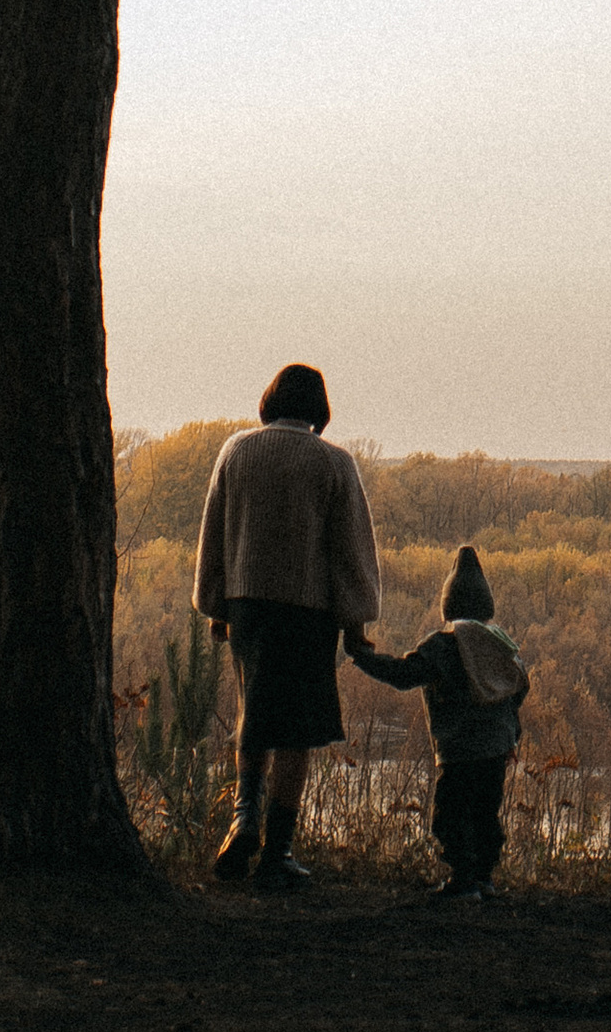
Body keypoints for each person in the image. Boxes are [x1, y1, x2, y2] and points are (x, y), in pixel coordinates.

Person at [193, 362, 380, 891]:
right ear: (319, 410)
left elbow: (215, 531)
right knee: (297, 730)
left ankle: (242, 819)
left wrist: (215, 606)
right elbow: (351, 551)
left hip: (247, 605)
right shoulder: (334, 463)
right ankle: (277, 852)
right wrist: (355, 621)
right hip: (307, 610)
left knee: (253, 713)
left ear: (270, 400)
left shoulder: (236, 451)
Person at [347, 544, 529, 900]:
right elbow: (518, 690)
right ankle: (484, 880)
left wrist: (361, 656)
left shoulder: (444, 646)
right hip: (496, 750)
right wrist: (510, 737)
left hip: (458, 751)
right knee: (485, 816)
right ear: (485, 606)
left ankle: (462, 882)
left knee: (449, 817)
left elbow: (402, 675)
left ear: (449, 606)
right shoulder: (501, 646)